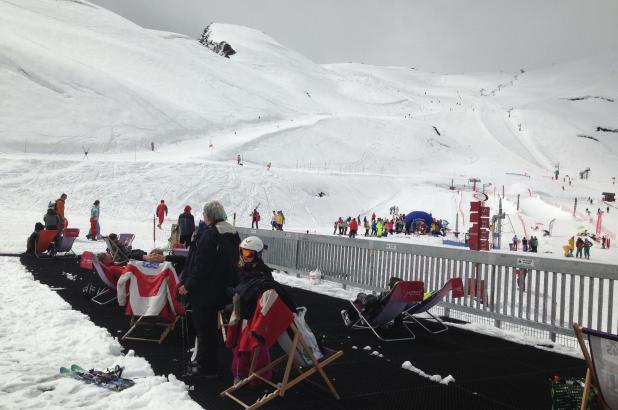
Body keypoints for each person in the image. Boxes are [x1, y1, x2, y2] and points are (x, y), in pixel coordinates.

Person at [178, 201, 240, 378]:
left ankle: (207, 367)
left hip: (206, 291)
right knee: (209, 330)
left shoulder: (210, 235)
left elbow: (201, 266)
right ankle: (205, 362)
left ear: (209, 216)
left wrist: (187, 286)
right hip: (223, 287)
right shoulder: (232, 233)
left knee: (205, 330)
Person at [230, 236, 295, 383]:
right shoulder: (240, 269)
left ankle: (256, 377)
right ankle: (241, 374)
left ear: (257, 255)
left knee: (254, 347)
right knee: (241, 346)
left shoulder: (263, 273)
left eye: (248, 254)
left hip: (255, 316)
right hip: (243, 314)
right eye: (242, 252)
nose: (244, 257)